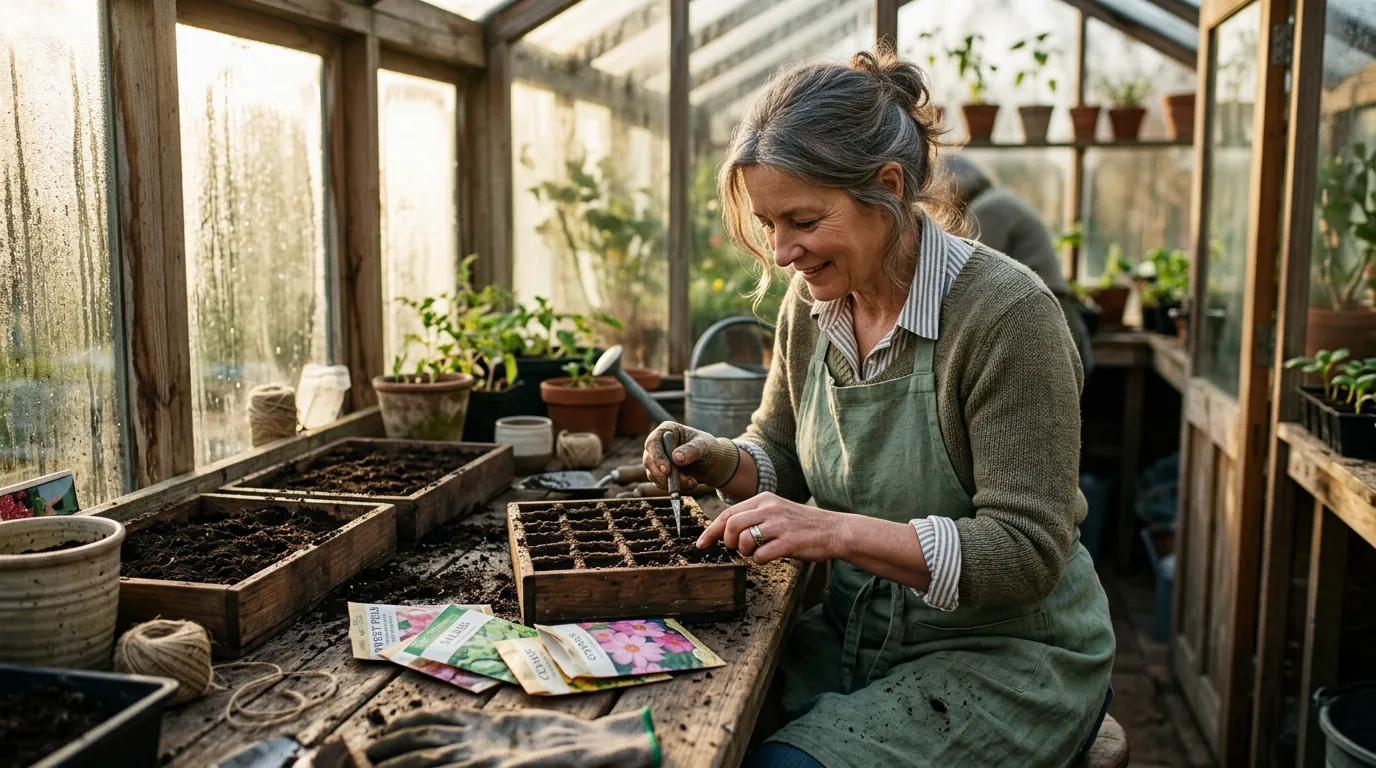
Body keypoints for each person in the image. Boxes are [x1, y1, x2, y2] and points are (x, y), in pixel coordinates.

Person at [642, 46, 1113, 768]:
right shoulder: (812, 305)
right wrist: (725, 461)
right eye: (768, 225)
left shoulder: (1007, 316)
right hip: (856, 630)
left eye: (801, 219)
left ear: (888, 187)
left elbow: (1027, 552)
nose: (781, 251)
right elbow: (785, 455)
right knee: (675, 733)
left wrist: (832, 532)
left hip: (1004, 655)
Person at [942, 154, 1095, 381]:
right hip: (1057, 309)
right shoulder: (999, 200)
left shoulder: (986, 210)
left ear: (955, 187)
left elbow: (970, 277)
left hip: (1040, 316)